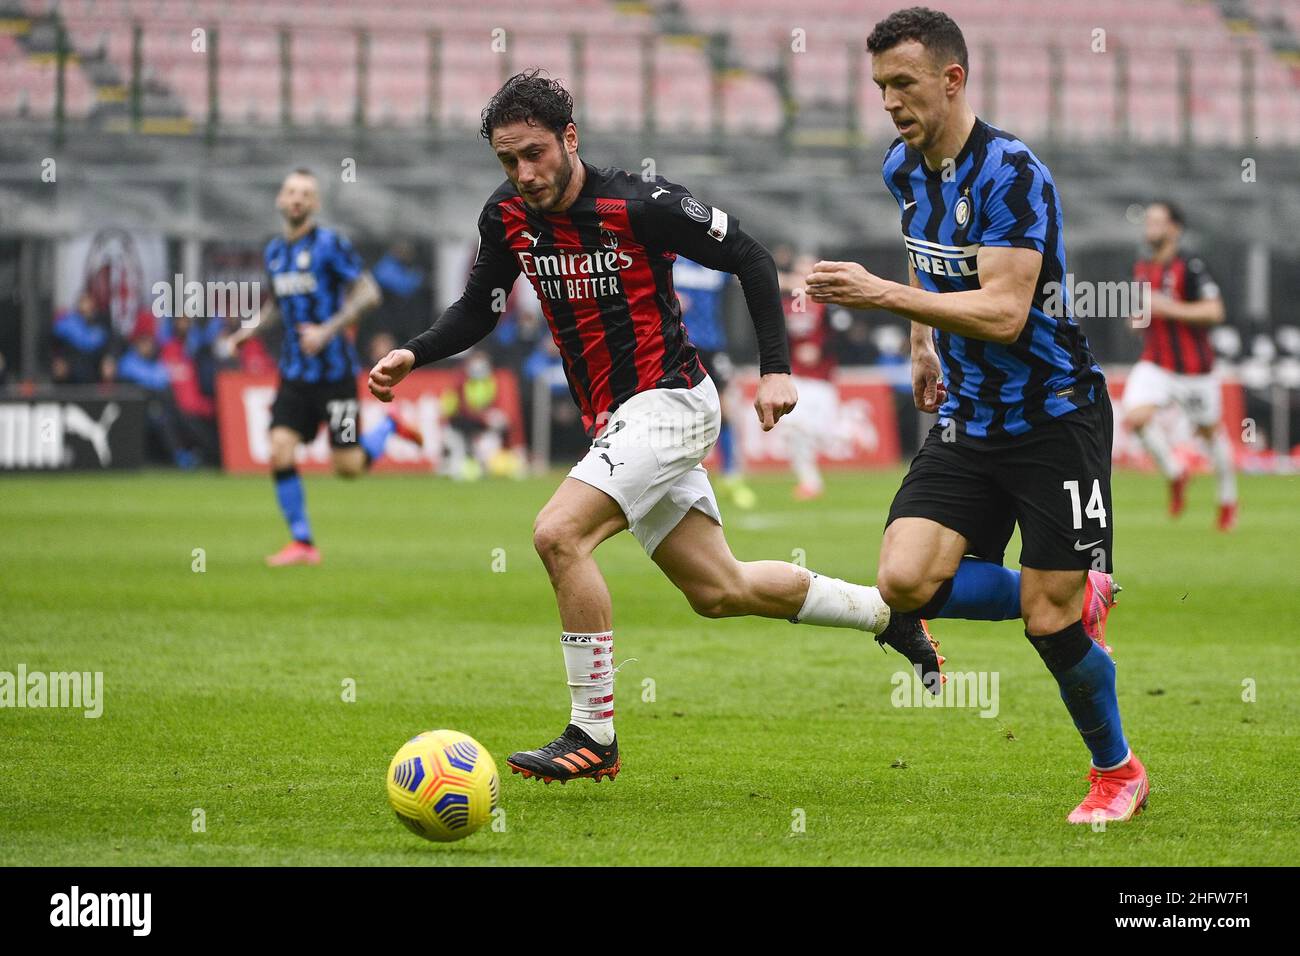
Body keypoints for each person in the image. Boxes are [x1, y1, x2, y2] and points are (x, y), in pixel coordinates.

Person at [370, 71, 1116, 787]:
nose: (523, 172)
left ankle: (592, 736)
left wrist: (774, 368)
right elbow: (479, 306)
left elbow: (750, 258)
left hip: (670, 402)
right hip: (617, 420)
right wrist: (414, 352)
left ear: (570, 138)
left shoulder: (643, 203)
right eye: (508, 160)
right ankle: (889, 615)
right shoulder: (505, 216)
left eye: (534, 153)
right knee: (718, 590)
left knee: (557, 535)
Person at [807, 8, 1144, 823]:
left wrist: (883, 297)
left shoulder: (1012, 172)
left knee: (1048, 624)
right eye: (881, 85)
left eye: (904, 83)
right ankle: (1076, 592)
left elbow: (1003, 314)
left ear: (952, 79)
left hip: (1054, 415)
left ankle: (1117, 773)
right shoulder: (904, 168)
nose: (889, 100)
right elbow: (934, 263)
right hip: (971, 416)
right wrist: (922, 341)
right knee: (904, 581)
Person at [224, 168, 423, 565]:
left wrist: (328, 330)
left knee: (347, 467)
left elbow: (369, 292)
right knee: (280, 449)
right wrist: (251, 330)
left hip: (334, 377)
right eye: (291, 192)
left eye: (305, 194)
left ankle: (389, 425)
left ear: (314, 204)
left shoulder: (330, 244)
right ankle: (303, 543)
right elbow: (280, 303)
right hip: (295, 375)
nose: (297, 199)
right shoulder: (275, 252)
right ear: (281, 200)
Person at [1121, 201, 1236, 531]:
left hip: (1194, 370)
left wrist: (1167, 307)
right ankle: (1175, 472)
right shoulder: (1140, 267)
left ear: (1175, 229)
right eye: (1149, 222)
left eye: (1158, 222)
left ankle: (1228, 499)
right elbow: (1147, 312)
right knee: (1135, 416)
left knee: (1210, 433)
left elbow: (1214, 312)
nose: (1150, 228)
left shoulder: (1192, 266)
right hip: (1155, 363)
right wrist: (1139, 319)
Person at [673, 255, 756, 509]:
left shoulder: (714, 262)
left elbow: (750, 272)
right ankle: (675, 474)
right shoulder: (669, 259)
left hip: (713, 344)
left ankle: (731, 474)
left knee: (724, 410)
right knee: (675, 410)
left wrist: (796, 282)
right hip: (677, 343)